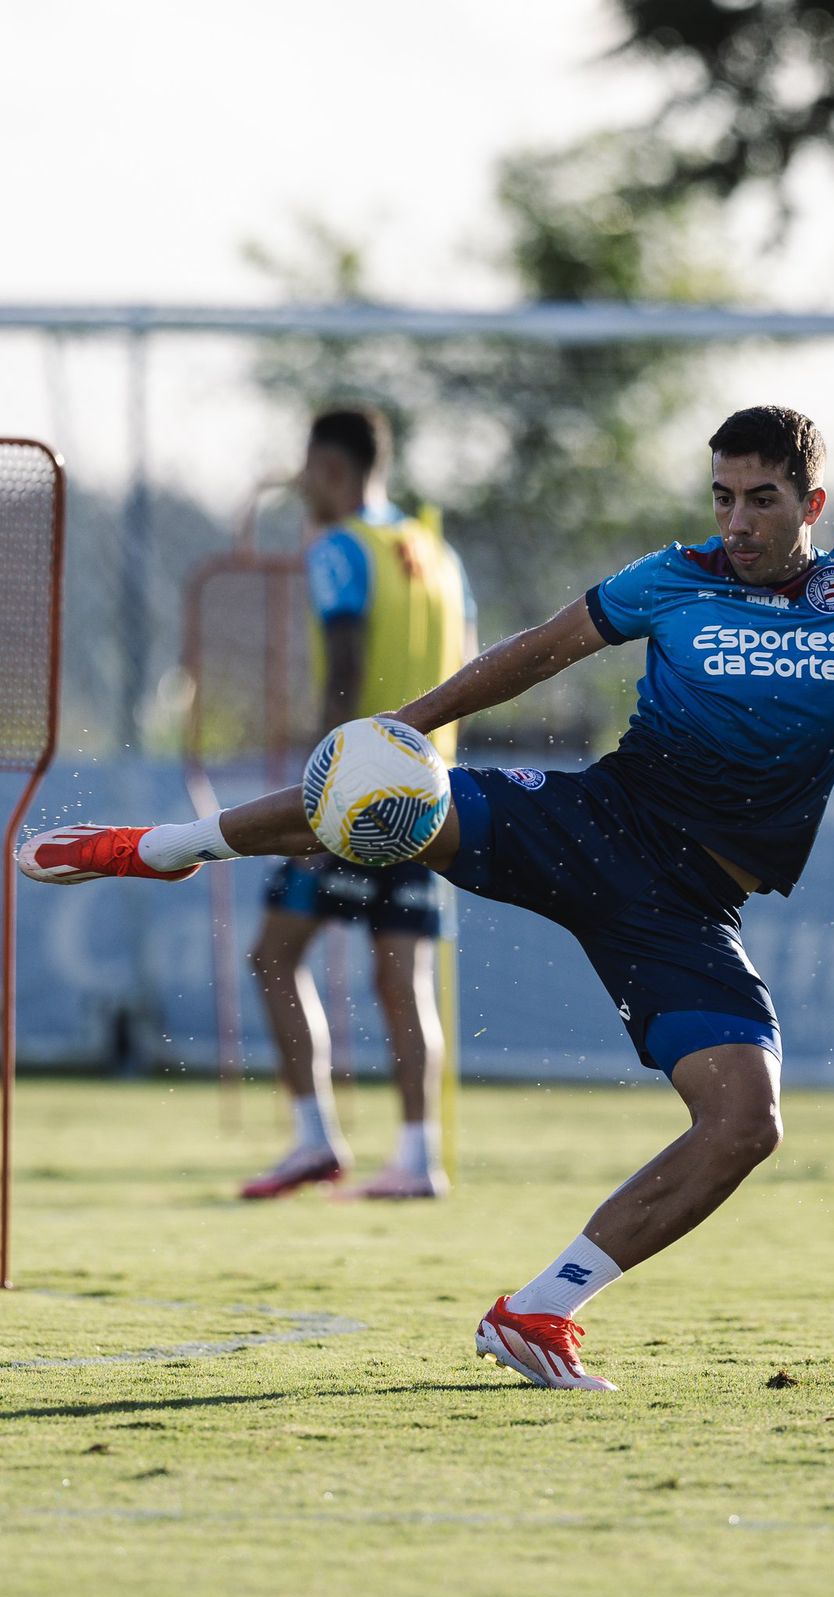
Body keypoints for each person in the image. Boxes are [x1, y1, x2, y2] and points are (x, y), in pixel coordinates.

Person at [20, 372, 834, 1389]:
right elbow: (537, 651)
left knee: (745, 1120)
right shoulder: (672, 576)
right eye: (721, 496)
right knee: (395, 805)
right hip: (600, 824)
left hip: (689, 901)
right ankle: (158, 847)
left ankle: (536, 1310)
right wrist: (409, 724)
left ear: (810, 502)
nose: (737, 520)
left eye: (760, 499)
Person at [248, 408, 474, 1200]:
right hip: (429, 793)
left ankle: (314, 1138)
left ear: (332, 469)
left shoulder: (340, 548)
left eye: (308, 469)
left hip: (355, 789)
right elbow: (470, 667)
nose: (304, 484)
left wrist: (319, 794)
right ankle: (419, 1156)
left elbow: (343, 666)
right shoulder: (436, 551)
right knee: (401, 976)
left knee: (274, 955)